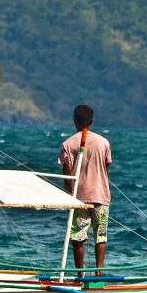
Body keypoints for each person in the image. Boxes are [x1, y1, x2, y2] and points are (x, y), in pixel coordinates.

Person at [58, 104, 112, 273]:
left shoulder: (67, 144)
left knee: (78, 238)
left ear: (75, 121)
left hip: (79, 199)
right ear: (92, 121)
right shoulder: (103, 143)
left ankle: (80, 274)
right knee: (100, 236)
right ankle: (98, 272)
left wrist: (69, 196)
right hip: (100, 196)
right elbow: (106, 170)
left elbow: (68, 177)